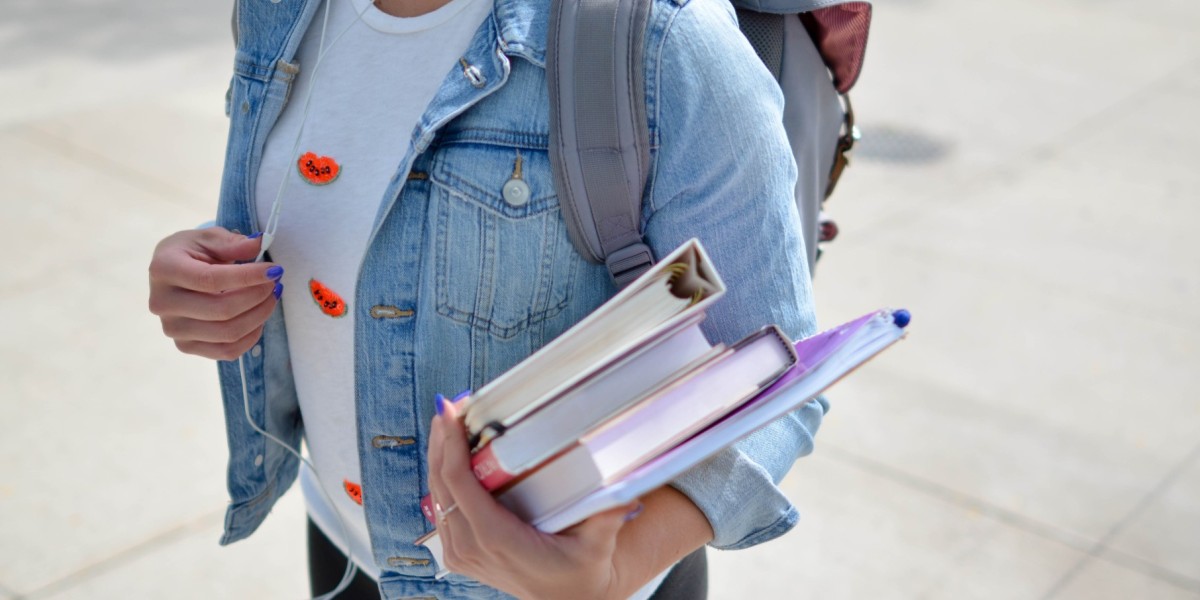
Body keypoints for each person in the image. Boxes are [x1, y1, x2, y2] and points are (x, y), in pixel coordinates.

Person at [147, 0, 836, 597]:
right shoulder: (282, 12)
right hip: (343, 545)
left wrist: (616, 569)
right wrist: (206, 283)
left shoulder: (662, 39)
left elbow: (774, 368)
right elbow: (316, 219)